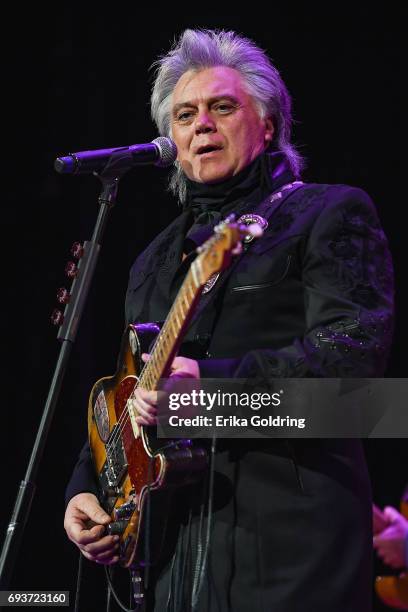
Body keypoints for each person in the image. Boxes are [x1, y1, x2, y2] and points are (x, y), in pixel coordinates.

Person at [64, 29, 394, 611]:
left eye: (222, 106)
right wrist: (86, 490)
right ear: (171, 138)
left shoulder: (327, 214)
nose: (201, 125)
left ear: (268, 125)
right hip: (167, 567)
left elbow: (363, 396)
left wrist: (208, 394)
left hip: (288, 563)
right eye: (185, 114)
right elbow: (128, 401)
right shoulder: (152, 262)